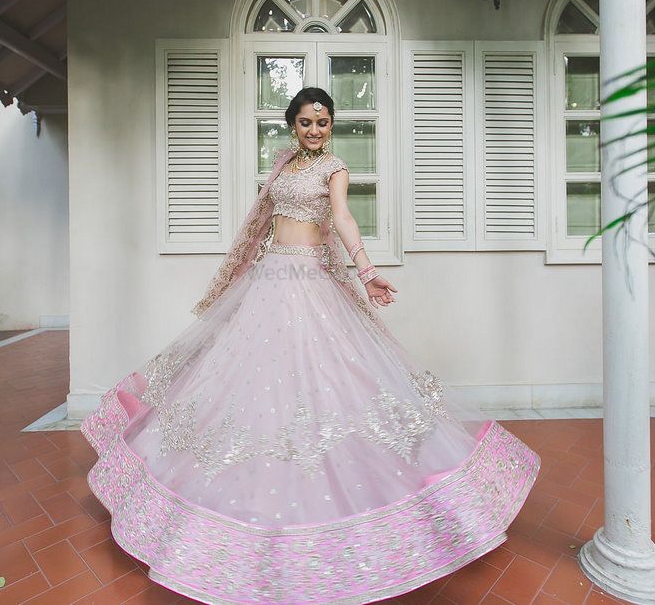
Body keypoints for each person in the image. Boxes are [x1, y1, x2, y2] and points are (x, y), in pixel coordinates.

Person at [80, 87, 540, 604]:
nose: (314, 130)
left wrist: (366, 270)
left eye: (322, 121)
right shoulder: (281, 166)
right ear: (291, 125)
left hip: (313, 285)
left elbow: (341, 218)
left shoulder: (334, 168)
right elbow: (262, 225)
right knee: (243, 391)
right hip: (268, 281)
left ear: (332, 124)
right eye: (304, 122)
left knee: (330, 386)